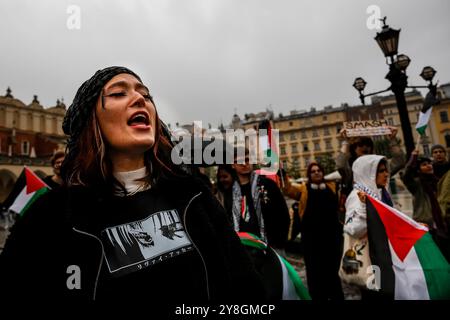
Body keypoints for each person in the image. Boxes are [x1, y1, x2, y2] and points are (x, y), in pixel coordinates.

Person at [0, 66, 265, 301]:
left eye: (146, 95)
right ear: (91, 121)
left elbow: (245, 288)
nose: (139, 98)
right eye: (118, 93)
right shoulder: (52, 215)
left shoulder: (193, 196)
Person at [288, 162, 343, 300]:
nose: (317, 173)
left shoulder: (333, 187)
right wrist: (280, 173)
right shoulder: (303, 190)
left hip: (332, 239)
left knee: (333, 271)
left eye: (319, 170)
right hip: (312, 241)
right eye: (313, 171)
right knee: (314, 273)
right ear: (309, 175)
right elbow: (288, 189)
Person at [230, 148, 290, 255]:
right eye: (239, 161)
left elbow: (283, 214)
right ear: (232, 165)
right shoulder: (229, 191)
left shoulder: (268, 185)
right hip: (242, 249)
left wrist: (279, 243)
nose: (244, 163)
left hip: (271, 247)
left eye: (247, 159)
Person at [401, 149, 449, 262]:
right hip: (427, 226)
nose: (428, 166)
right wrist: (413, 159)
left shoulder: (438, 182)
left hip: (443, 226)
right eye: (424, 165)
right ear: (418, 169)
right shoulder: (417, 185)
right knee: (434, 259)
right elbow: (406, 176)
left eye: (429, 163)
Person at [336, 128, 405, 197]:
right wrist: (345, 142)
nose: (365, 147)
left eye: (368, 144)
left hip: (379, 203)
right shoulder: (351, 167)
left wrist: (392, 139)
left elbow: (399, 161)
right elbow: (340, 165)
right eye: (360, 144)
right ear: (354, 148)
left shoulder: (379, 164)